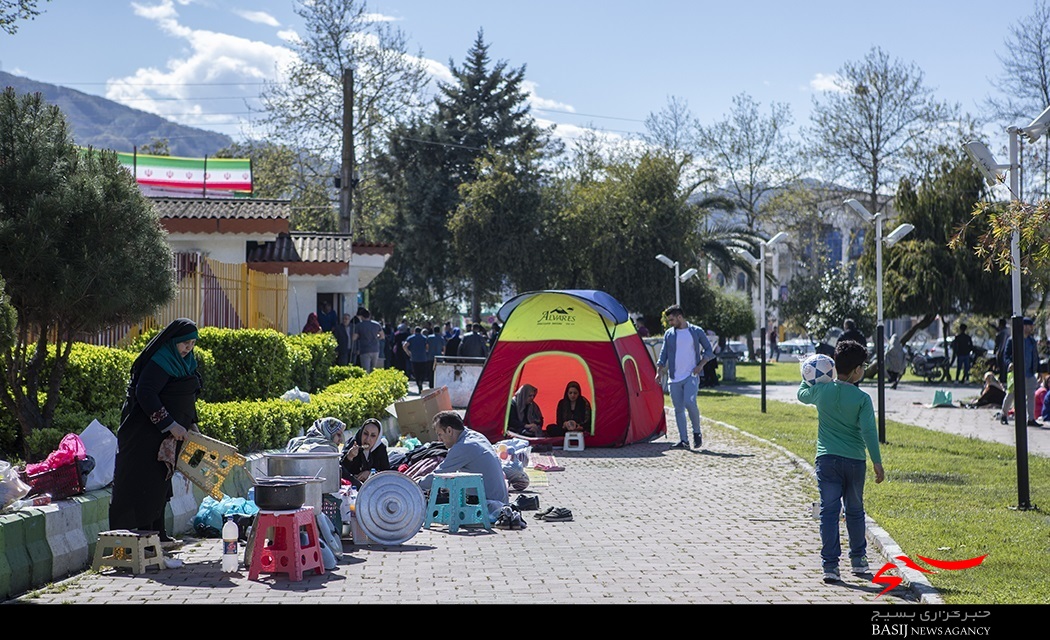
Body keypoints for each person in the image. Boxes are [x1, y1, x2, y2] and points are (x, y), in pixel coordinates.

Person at [109, 318, 202, 549]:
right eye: (184, 343)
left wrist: (191, 424)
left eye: (192, 343)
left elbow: (186, 396)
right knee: (143, 484)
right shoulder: (160, 361)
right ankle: (141, 539)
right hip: (144, 435)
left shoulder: (186, 362)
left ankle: (158, 534)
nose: (188, 348)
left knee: (160, 484)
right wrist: (170, 424)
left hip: (166, 436)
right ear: (173, 342)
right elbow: (146, 394)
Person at [796, 339, 885, 583]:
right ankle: (859, 561)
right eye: (863, 366)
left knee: (829, 511)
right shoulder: (862, 399)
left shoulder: (822, 391)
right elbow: (869, 432)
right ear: (857, 370)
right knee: (855, 511)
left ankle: (830, 566)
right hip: (855, 463)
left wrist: (809, 374)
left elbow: (801, 394)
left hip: (827, 460)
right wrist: (876, 462)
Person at [417, 411, 509, 521]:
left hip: (487, 503)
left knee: (426, 502)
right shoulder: (476, 436)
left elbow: (438, 475)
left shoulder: (463, 446)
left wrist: (413, 485)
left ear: (449, 430)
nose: (439, 440)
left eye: (440, 434)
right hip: (499, 499)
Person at [655, 304, 715, 450]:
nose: (670, 323)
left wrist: (700, 365)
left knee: (689, 402)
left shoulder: (696, 331)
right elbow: (664, 354)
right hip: (674, 377)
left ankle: (697, 432)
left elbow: (709, 349)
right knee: (679, 409)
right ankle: (684, 440)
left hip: (691, 375)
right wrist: (659, 370)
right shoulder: (669, 334)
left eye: (671, 320)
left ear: (679, 317)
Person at [1003, 317, 1040, 426]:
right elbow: (1006, 355)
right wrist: (1009, 363)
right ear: (1023, 326)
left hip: (1029, 373)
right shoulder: (1012, 340)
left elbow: (1035, 356)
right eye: (1029, 326)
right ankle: (1004, 414)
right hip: (1016, 373)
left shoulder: (1031, 341)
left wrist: (1038, 371)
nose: (1030, 328)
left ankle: (1031, 419)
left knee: (1031, 396)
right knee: (1011, 394)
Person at [340, 418, 390, 488]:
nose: (367, 439)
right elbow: (341, 471)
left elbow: (387, 474)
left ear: (378, 437)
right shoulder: (353, 444)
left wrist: (371, 474)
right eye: (365, 434)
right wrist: (349, 457)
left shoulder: (380, 449)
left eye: (373, 436)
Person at [353, 307, 385, 373]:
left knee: (365, 370)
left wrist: (359, 336)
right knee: (373, 370)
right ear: (369, 316)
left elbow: (354, 338)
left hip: (364, 350)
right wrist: (376, 337)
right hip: (375, 349)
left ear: (361, 316)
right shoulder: (376, 324)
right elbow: (382, 336)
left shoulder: (359, 326)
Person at [403, 326, 429, 395]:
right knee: (423, 372)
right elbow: (427, 347)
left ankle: (419, 384)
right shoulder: (424, 338)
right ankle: (421, 381)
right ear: (420, 331)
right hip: (423, 358)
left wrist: (408, 352)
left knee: (416, 372)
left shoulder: (410, 338)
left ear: (414, 331)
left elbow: (404, 346)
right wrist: (426, 351)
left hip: (414, 358)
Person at [994, 318, 1010, 384]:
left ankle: (1002, 379)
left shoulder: (1000, 333)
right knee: (1005, 367)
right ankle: (1005, 378)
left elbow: (997, 344)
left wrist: (995, 351)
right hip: (1008, 351)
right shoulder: (1009, 331)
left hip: (1001, 351)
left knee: (1001, 367)